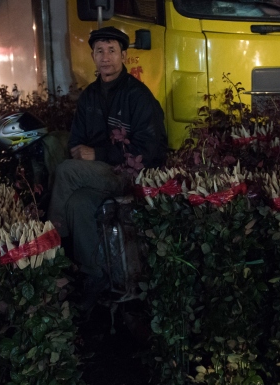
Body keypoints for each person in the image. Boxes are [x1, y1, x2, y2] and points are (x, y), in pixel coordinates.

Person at [47, 26, 167, 310]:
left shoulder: (138, 95)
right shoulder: (89, 96)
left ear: (123, 55)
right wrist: (82, 151)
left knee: (66, 170)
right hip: (98, 175)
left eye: (112, 50)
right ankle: (93, 275)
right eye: (99, 51)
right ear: (92, 56)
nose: (106, 57)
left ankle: (52, 248)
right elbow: (77, 140)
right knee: (77, 203)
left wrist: (98, 153)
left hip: (129, 173)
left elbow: (150, 149)